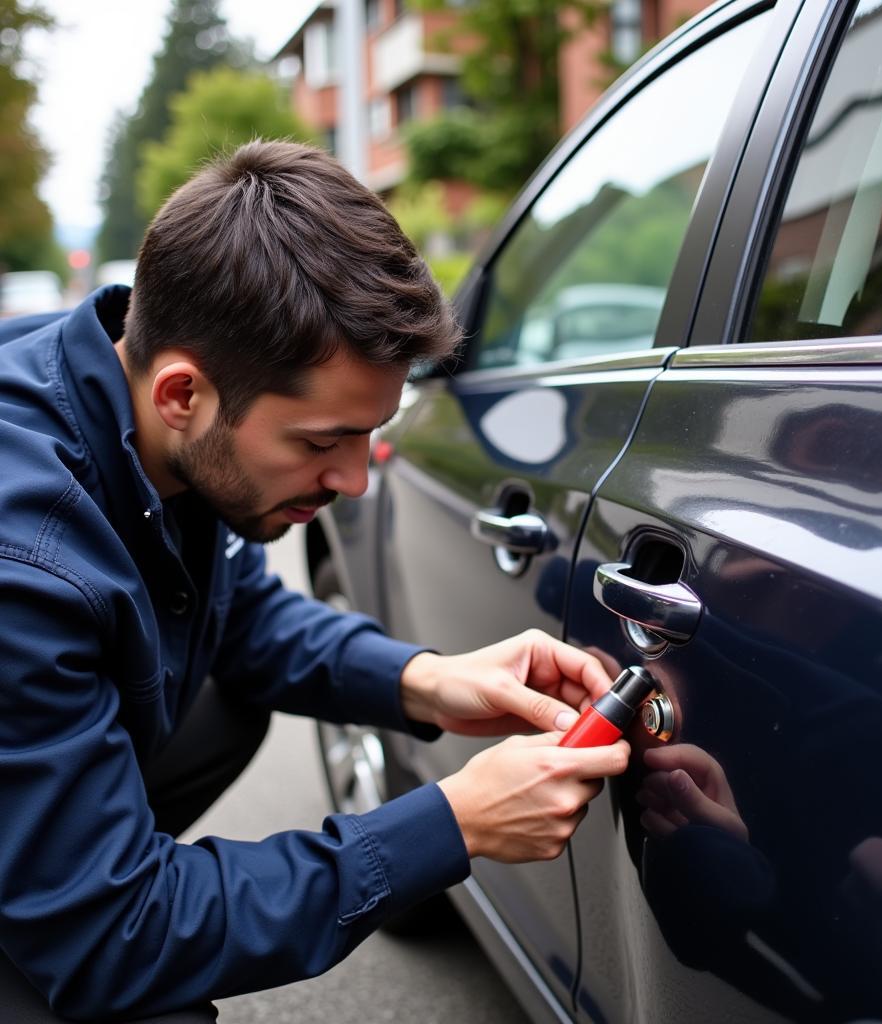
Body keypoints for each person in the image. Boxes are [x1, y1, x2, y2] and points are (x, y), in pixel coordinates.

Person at [0, 140, 629, 1023]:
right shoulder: (23, 562)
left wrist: (429, 682)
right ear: (184, 393)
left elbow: (240, 612)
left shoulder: (138, 402)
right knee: (145, 999)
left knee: (228, 697)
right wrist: (451, 825)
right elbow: (119, 934)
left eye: (366, 437)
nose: (354, 482)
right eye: (321, 441)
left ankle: (57, 868)